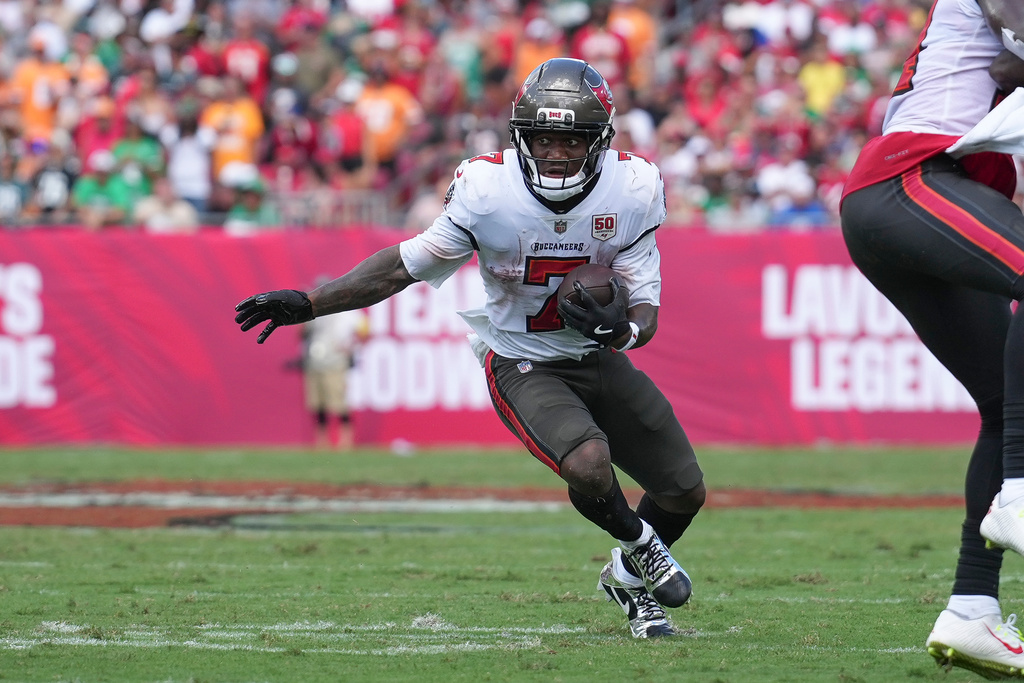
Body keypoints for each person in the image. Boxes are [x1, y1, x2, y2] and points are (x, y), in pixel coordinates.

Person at [235, 58, 705, 639]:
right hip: (519, 357)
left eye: (571, 139)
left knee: (684, 490)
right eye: (544, 138)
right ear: (521, 136)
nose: (556, 152)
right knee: (588, 463)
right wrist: (312, 303)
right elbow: (403, 267)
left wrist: (621, 332)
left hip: (594, 356)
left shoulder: (633, 188)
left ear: (600, 142)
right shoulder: (487, 190)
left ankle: (626, 579)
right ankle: (642, 547)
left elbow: (645, 310)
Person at [839, 0, 1024, 676]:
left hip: (921, 196)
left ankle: (972, 606)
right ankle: (1020, 491)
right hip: (909, 176)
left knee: (1007, 407)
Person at [300, 280, 369, 450]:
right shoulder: (313, 313)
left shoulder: (347, 312)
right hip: (315, 361)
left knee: (339, 403)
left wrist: (351, 347)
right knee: (318, 404)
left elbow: (365, 330)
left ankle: (346, 441)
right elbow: (302, 334)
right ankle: (321, 442)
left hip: (336, 362)